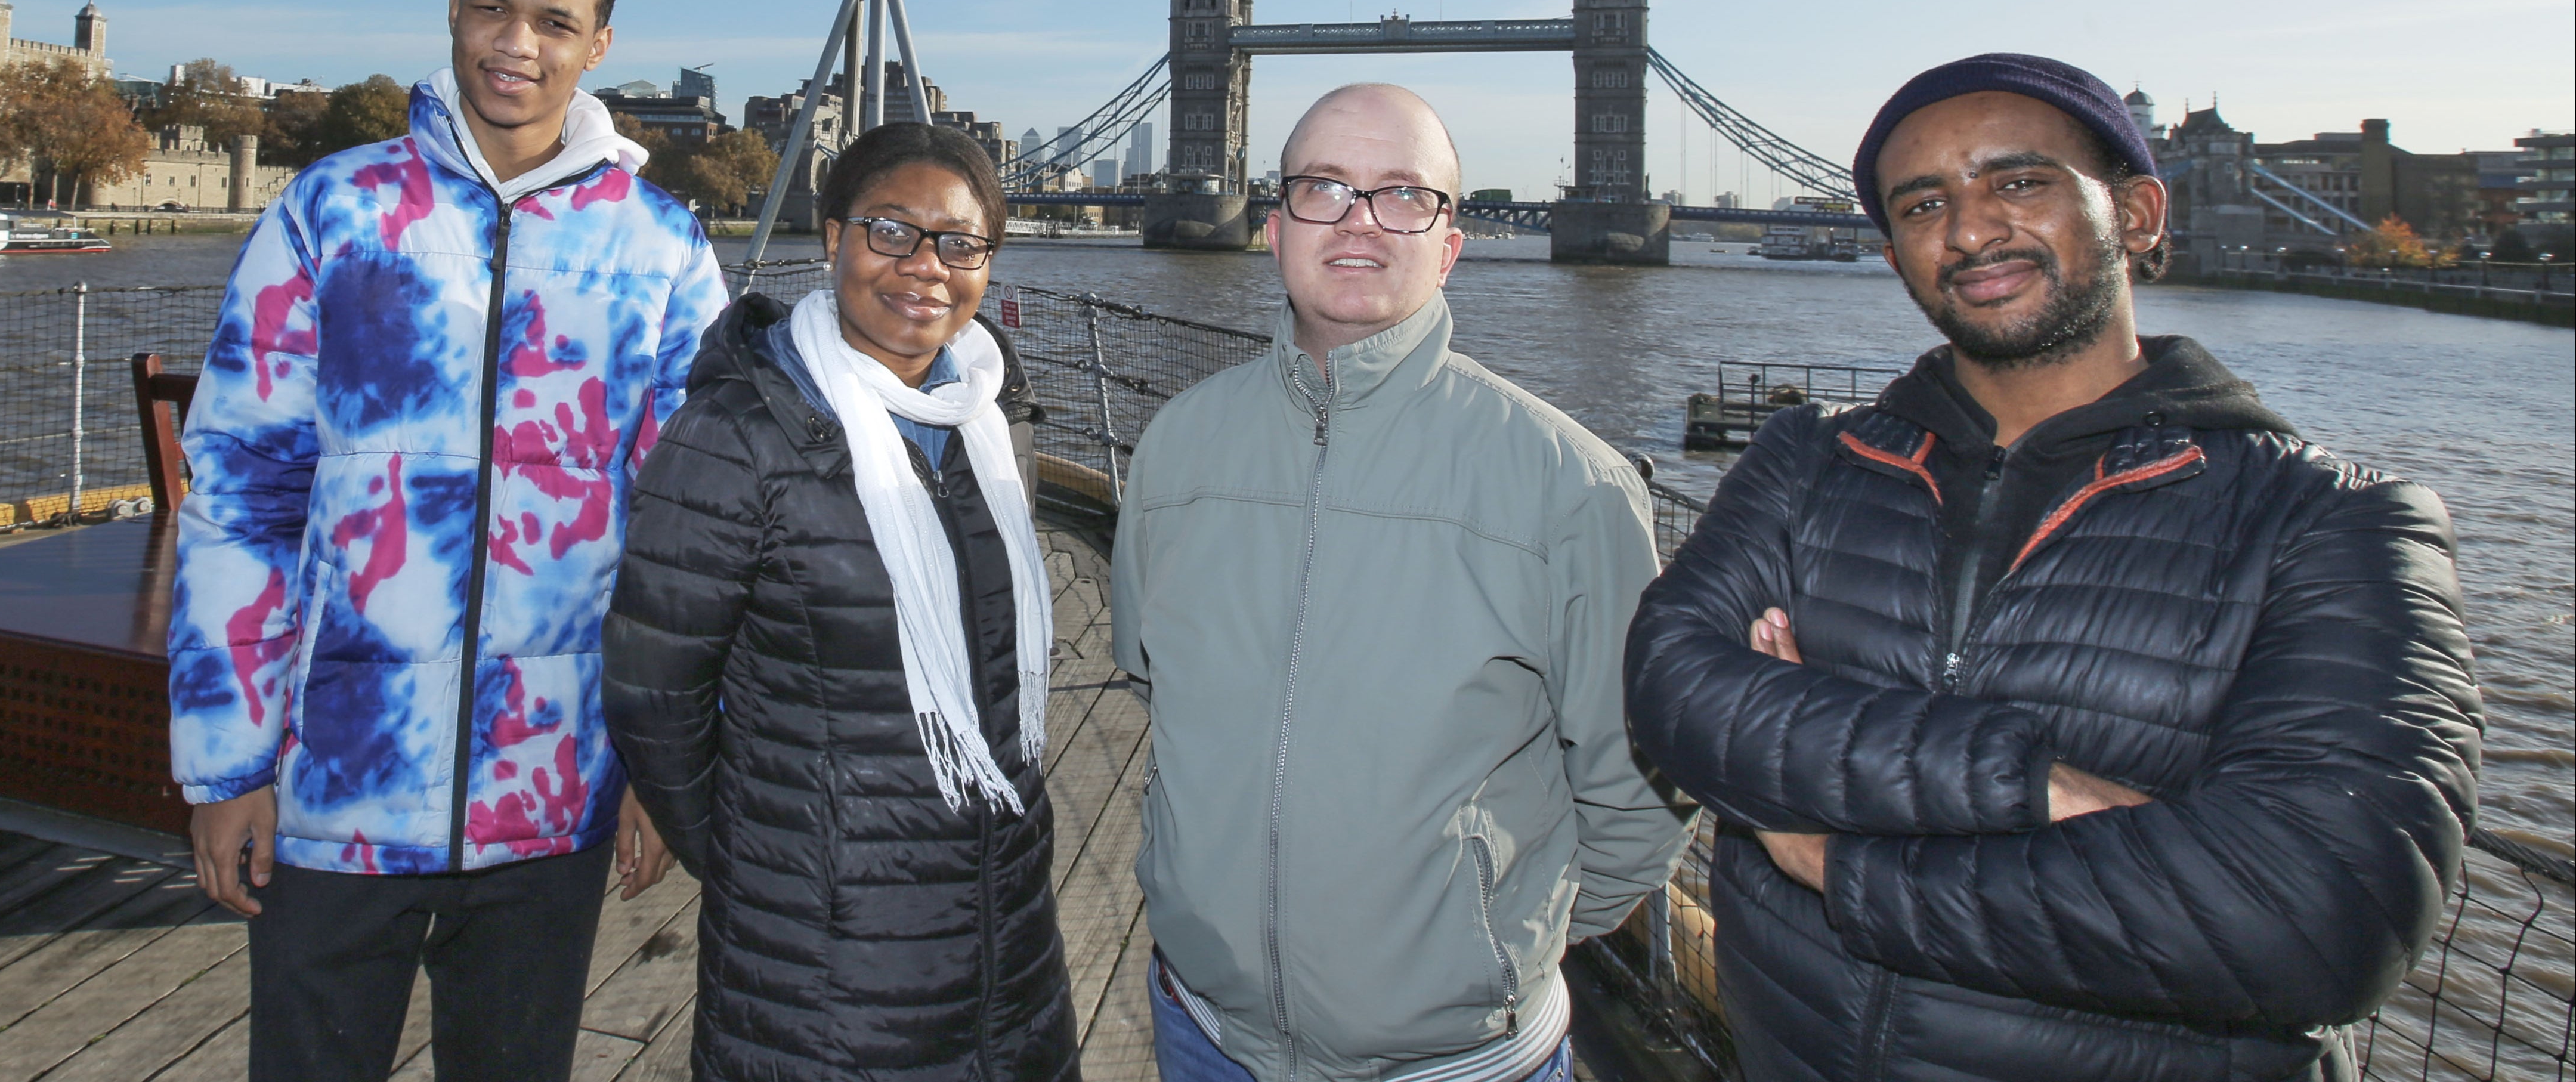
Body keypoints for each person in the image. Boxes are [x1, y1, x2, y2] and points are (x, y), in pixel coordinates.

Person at [1624, 53, 2484, 1082]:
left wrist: (1835, 857)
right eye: (1924, 203)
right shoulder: (1808, 457)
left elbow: (2313, 922)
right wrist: (2044, 788)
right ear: (1895, 254)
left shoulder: (2336, 521)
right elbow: (1670, 685)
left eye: (2019, 181)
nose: (1970, 228)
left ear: (2139, 213)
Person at [169, 0, 728, 1082]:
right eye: (492, 7)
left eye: (553, 22)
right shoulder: (333, 210)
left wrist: (660, 770)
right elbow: (239, 494)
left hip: (555, 785)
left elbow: (688, 542)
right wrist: (226, 765)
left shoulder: (663, 248)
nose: (516, 42)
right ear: (454, 10)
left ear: (598, 45)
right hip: (333, 783)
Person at [1112, 83, 1691, 1082]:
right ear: (1273, 225)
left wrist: (1493, 948)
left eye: (1405, 194)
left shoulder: (1575, 487)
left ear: (1451, 244)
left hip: (1462, 1061)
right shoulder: (1176, 448)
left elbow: (1645, 785)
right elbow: (1150, 680)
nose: (1360, 220)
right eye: (1324, 187)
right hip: (1204, 1031)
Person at [603, 120, 1078, 1082]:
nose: (925, 266)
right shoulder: (737, 432)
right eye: (891, 230)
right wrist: (772, 856)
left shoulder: (996, 420)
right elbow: (653, 691)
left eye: (961, 242)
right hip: (824, 961)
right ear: (833, 237)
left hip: (1011, 936)